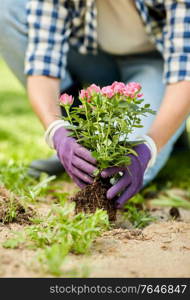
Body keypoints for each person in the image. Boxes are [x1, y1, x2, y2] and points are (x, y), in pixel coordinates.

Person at [0, 0, 189, 207]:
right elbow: (43, 65)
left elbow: (185, 73)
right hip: (93, 56)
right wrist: (57, 132)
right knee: (6, 10)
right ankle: (82, 145)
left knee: (120, 166)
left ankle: (169, 133)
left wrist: (151, 146)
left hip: (156, 63)